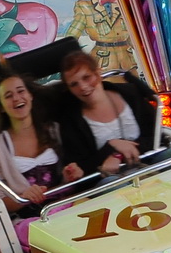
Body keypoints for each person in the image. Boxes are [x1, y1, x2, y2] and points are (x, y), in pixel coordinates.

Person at [0, 72, 84, 213]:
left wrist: (69, 176)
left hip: (65, 206)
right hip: (29, 219)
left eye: (21, 91)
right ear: (1, 107)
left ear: (30, 95)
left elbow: (67, 178)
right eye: (8, 96)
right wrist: (23, 197)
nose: (16, 98)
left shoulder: (53, 130)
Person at [54, 49, 158, 178]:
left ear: (98, 73)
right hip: (109, 180)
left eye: (87, 77)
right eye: (74, 84)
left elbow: (157, 135)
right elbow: (81, 167)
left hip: (150, 161)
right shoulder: (71, 121)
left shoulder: (131, 94)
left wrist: (118, 154)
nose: (83, 87)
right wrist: (110, 147)